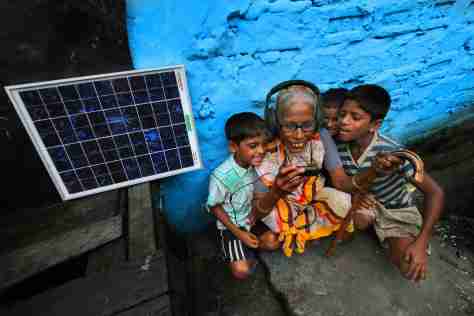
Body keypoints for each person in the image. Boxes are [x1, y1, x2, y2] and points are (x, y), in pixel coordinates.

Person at [336, 84, 445, 282]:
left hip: (395, 212)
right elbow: (339, 181)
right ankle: (375, 229)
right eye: (342, 114)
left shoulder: (393, 152)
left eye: (355, 117)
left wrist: (422, 241)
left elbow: (435, 193)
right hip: (364, 204)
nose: (344, 121)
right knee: (353, 217)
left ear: (375, 125)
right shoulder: (338, 145)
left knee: (409, 267)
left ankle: (399, 237)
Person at [253, 80, 372, 257]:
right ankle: (298, 231)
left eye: (307, 125)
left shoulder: (321, 136)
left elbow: (340, 181)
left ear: (316, 121)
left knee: (345, 203)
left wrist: (370, 174)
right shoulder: (264, 151)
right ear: (276, 122)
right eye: (289, 126)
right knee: (270, 240)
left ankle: (297, 231)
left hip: (311, 196)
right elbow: (257, 210)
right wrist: (277, 191)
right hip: (277, 203)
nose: (299, 135)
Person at [207, 112, 268, 279]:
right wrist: (240, 234)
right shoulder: (222, 176)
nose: (261, 151)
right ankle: (234, 249)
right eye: (253, 145)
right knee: (241, 272)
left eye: (263, 144)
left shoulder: (253, 165)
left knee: (273, 242)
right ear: (234, 147)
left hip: (249, 219)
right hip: (230, 227)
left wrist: (255, 214)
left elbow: (255, 192)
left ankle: (244, 247)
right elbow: (214, 207)